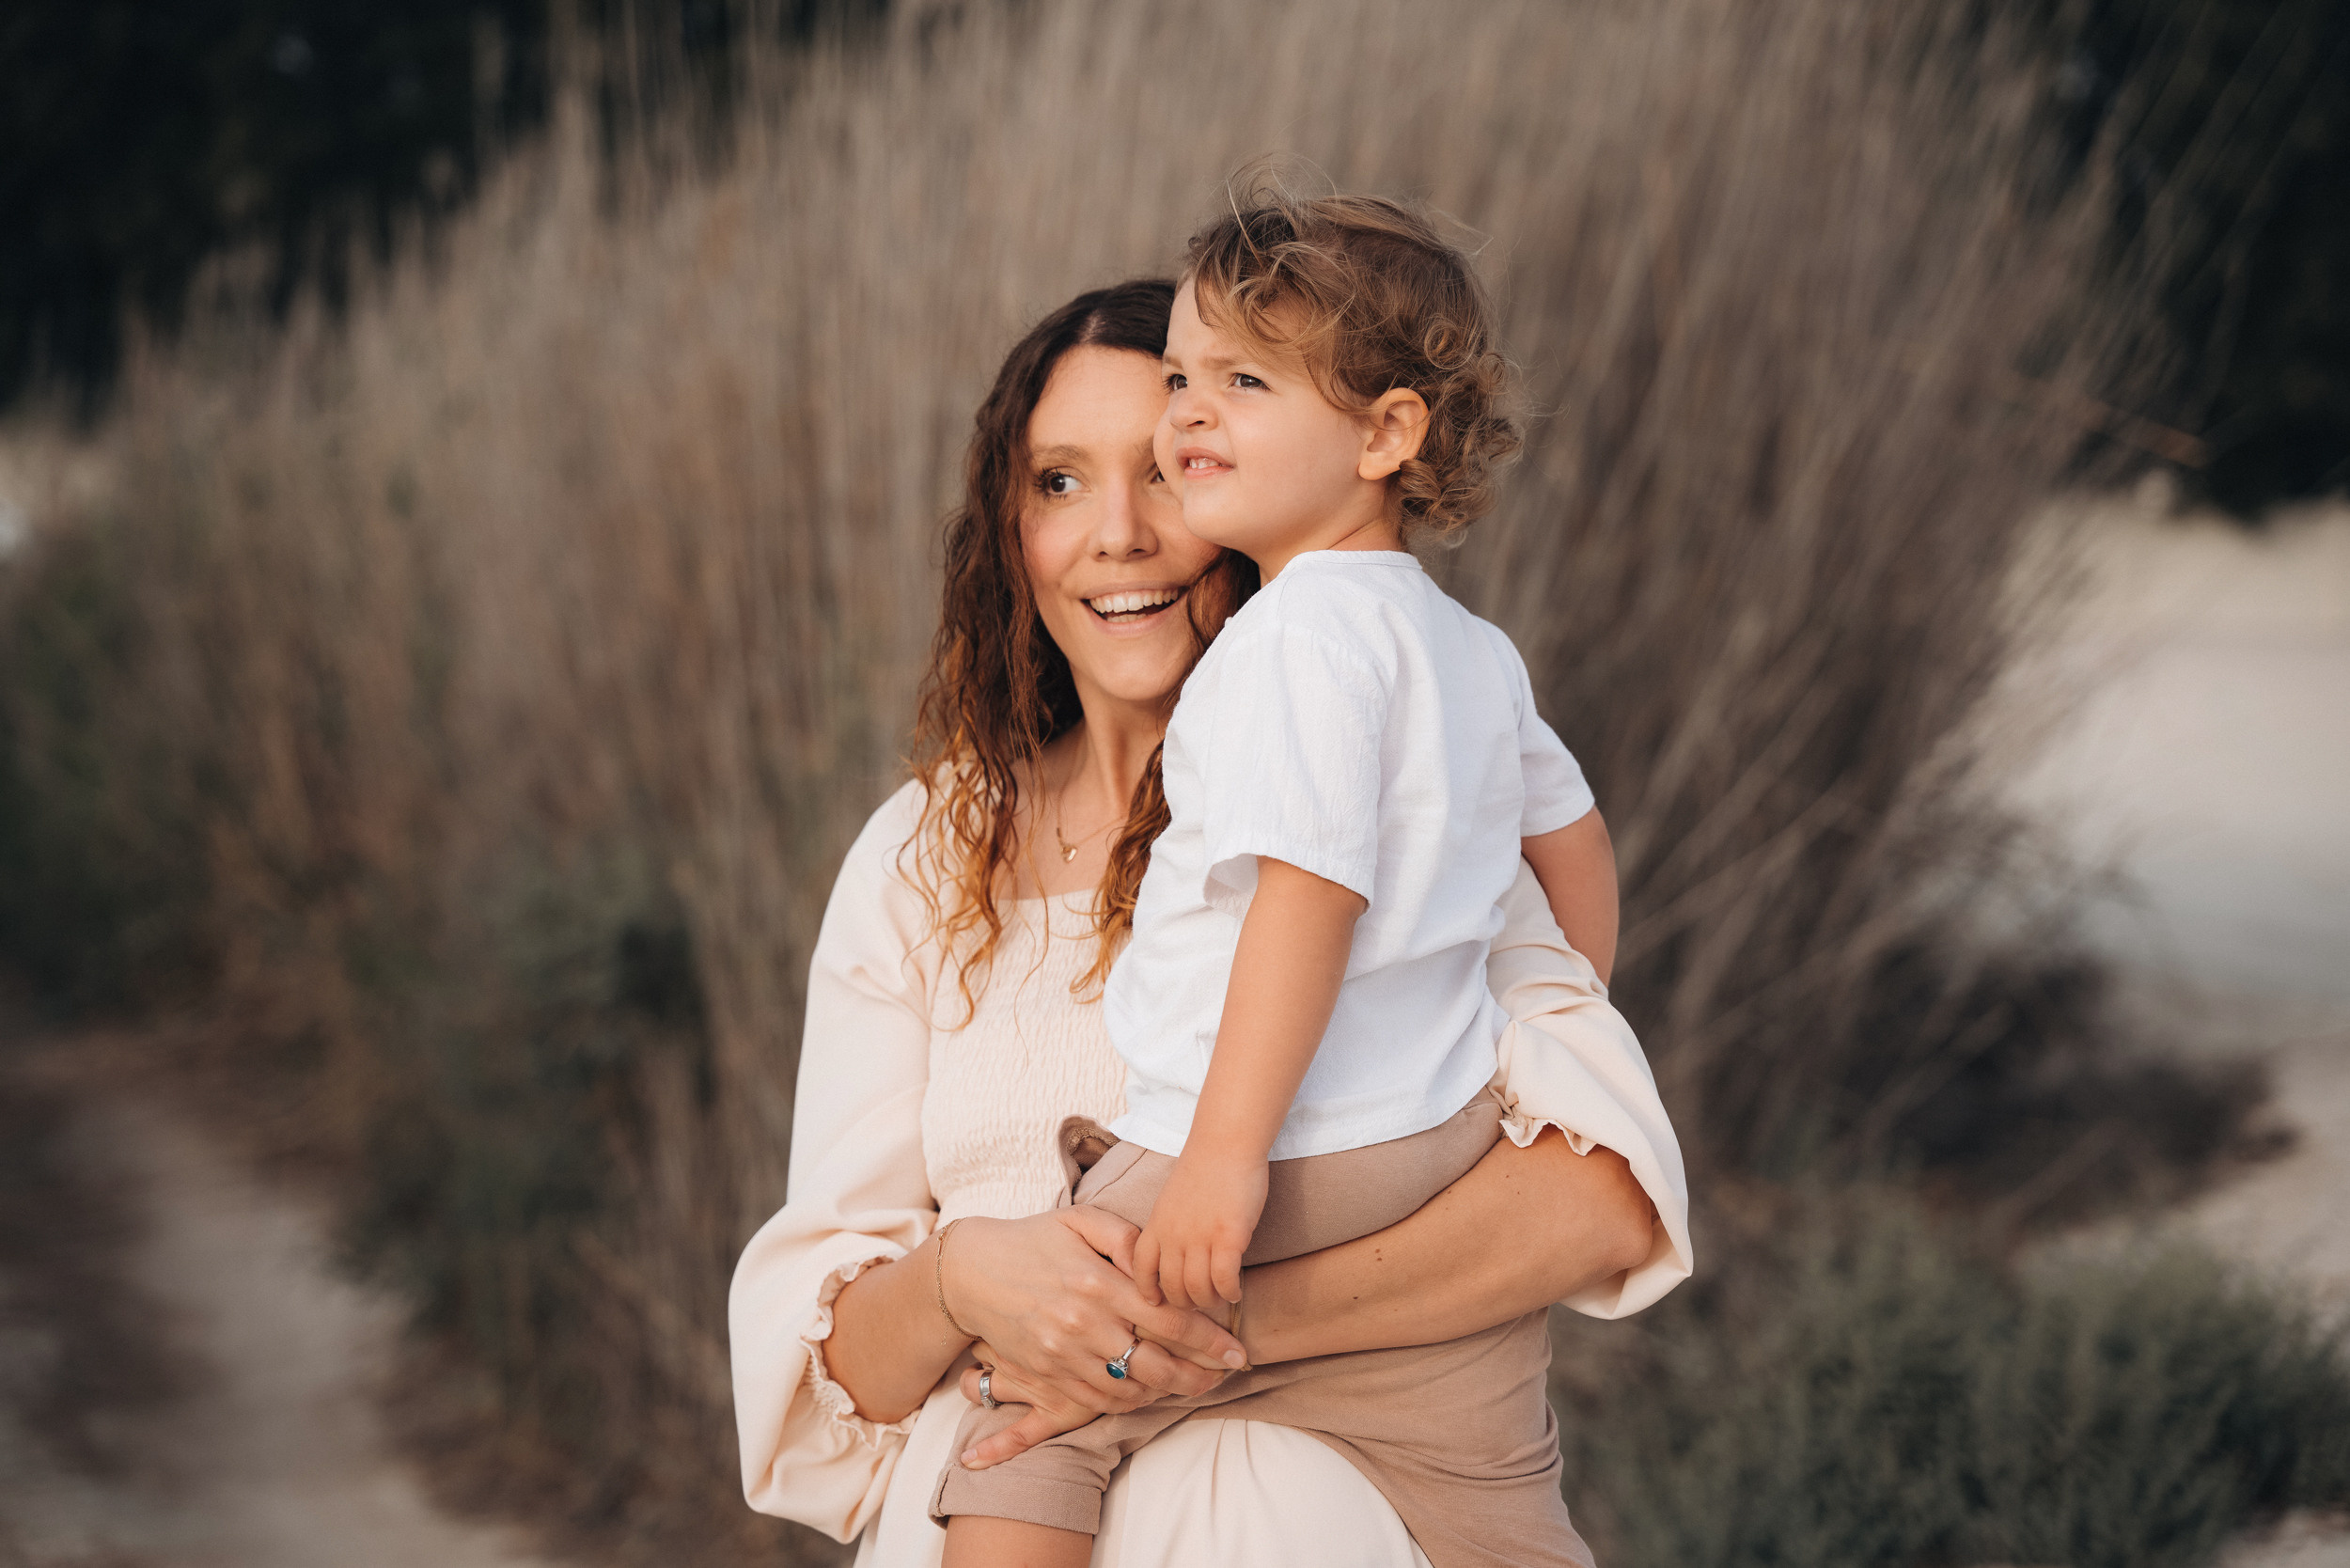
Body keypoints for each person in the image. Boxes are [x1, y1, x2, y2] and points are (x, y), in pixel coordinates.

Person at [729, 275, 1693, 1568]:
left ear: (1248, 490)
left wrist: (1165, 1343)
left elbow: (1601, 1204)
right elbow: (833, 1358)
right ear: (1008, 532)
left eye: (1162, 475)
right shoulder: (919, 857)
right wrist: (970, 1278)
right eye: (1058, 482)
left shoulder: (1396, 803)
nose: (1117, 533)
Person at [932, 194, 1617, 1568]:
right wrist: (1550, 1028)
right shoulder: (1471, 649)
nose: (1190, 414)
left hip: (1266, 1144)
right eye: (1184, 373)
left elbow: (1309, 897)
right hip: (1432, 1141)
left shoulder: (1291, 636)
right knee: (1492, 1475)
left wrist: (1219, 1166)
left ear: (1386, 434)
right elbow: (1576, 849)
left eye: (1244, 381)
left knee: (1035, 1415)